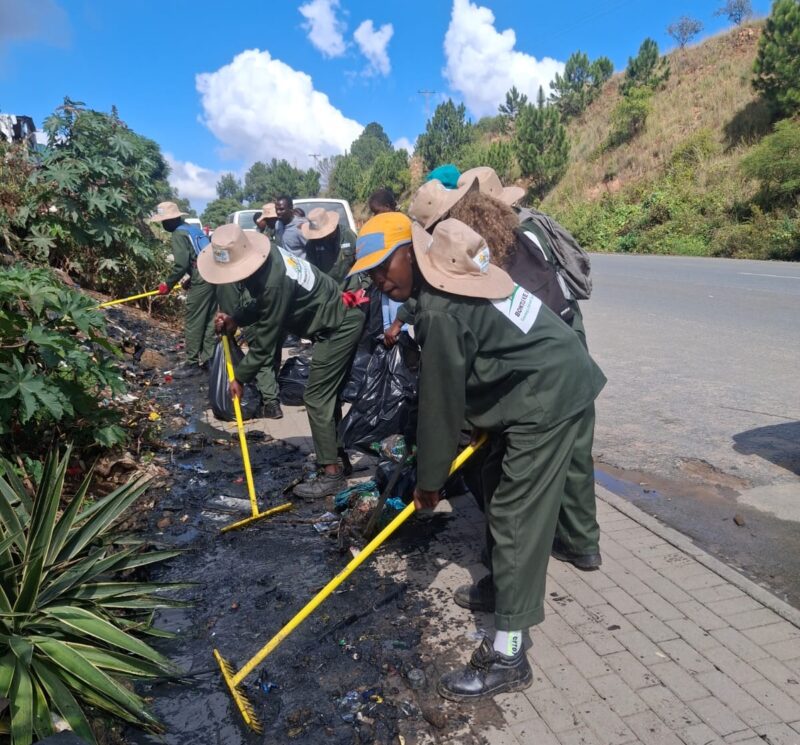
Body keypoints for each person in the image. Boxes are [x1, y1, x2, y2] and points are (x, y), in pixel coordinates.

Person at [347, 213, 606, 701]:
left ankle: (508, 655)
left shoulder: (442, 307)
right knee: (488, 477)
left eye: (384, 267)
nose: (378, 280)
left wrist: (430, 481)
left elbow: (442, 404)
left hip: (548, 392)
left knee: (515, 515)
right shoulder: (433, 295)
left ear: (412, 254)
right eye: (370, 274)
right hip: (533, 381)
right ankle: (501, 588)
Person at [198, 224, 364, 499]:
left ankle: (331, 474)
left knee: (317, 397)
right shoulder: (269, 259)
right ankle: (336, 459)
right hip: (338, 319)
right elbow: (263, 305)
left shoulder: (274, 278)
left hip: (339, 325)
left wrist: (239, 376)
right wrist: (236, 318)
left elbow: (265, 340)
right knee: (327, 395)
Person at [149, 201, 216, 376]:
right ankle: (209, 360)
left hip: (201, 277)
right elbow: (197, 254)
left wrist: (167, 284)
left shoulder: (178, 234)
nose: (163, 225)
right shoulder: (191, 228)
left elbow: (180, 264)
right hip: (212, 274)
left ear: (172, 220)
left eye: (164, 221)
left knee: (194, 320)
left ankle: (192, 363)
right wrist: (189, 279)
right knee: (208, 319)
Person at [300, 208, 358, 285]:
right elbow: (313, 272)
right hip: (329, 291)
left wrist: (364, 284)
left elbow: (362, 260)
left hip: (352, 289)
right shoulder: (312, 244)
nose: (322, 237)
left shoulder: (348, 235)